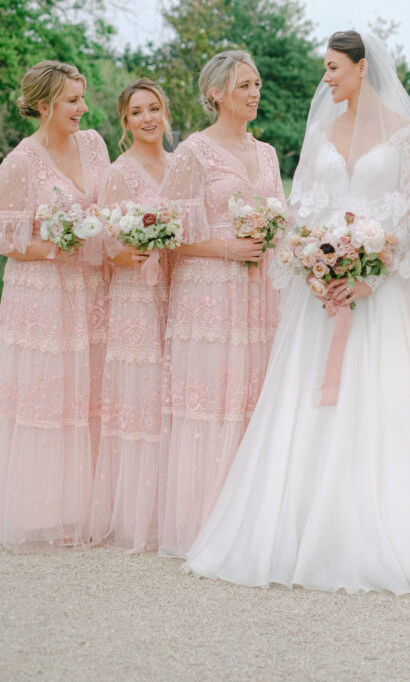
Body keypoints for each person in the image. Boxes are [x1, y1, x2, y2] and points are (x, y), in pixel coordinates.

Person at [184, 30, 410, 593]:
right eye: (325, 68)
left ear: (363, 68)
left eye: (334, 68)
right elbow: (301, 209)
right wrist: (314, 265)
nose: (326, 78)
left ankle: (371, 531)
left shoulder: (405, 134)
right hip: (319, 294)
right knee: (302, 405)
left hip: (379, 298)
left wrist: (374, 273)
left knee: (377, 405)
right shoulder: (319, 133)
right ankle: (291, 528)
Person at [158, 50, 284, 557]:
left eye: (256, 84)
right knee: (211, 400)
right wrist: (228, 246)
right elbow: (170, 233)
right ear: (215, 94)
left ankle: (249, 524)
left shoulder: (270, 153)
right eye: (243, 86)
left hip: (260, 292)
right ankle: (202, 522)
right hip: (209, 290)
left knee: (254, 396)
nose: (254, 94)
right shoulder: (192, 153)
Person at [0, 61, 110, 549]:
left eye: (82, 98)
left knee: (86, 387)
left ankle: (85, 506)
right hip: (43, 291)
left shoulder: (93, 144)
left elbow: (108, 204)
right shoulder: (21, 162)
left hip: (90, 286)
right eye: (72, 100)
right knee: (48, 391)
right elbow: (7, 235)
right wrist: (53, 246)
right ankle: (42, 509)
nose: (83, 108)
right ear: (44, 105)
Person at [91, 80, 173, 552]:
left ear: (165, 112)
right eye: (137, 111)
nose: (147, 118)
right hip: (135, 293)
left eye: (154, 108)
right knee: (141, 393)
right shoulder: (119, 173)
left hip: (174, 286)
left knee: (169, 389)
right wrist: (129, 253)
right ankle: (137, 514)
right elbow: (102, 240)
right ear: (124, 121)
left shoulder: (181, 164)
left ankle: (170, 506)